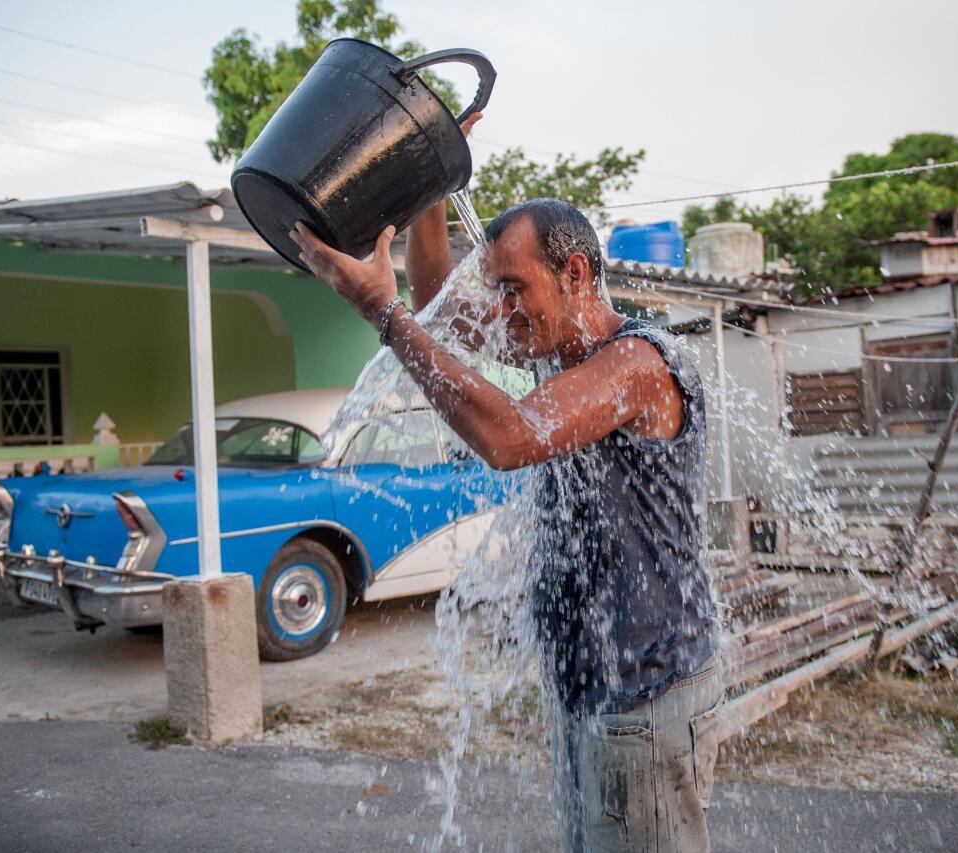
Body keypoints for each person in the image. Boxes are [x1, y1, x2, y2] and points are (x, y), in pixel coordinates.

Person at [288, 115, 722, 853]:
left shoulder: (639, 363)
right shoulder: (554, 349)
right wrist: (431, 180)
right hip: (592, 688)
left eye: (514, 288)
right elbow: (435, 305)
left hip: (647, 695)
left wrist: (380, 312)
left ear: (576, 274)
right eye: (496, 289)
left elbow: (510, 438)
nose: (500, 310)